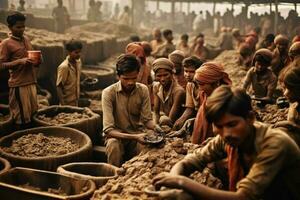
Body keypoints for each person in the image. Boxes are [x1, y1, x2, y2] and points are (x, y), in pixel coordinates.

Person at [153, 85, 300, 200]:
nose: (226, 133)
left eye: (232, 124)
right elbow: (189, 162)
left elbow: (244, 197)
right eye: (218, 126)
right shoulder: (228, 138)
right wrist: (173, 182)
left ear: (250, 118)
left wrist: (181, 183)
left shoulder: (274, 143)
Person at [102, 54, 158, 167]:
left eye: (134, 78)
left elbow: (147, 120)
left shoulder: (143, 90)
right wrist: (135, 137)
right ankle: (115, 176)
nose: (130, 82)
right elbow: (108, 130)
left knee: (147, 147)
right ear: (118, 76)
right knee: (113, 145)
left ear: (138, 74)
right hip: (118, 136)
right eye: (126, 79)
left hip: (138, 135)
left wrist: (156, 127)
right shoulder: (109, 93)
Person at [0, 12, 40, 129]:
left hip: (31, 82)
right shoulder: (6, 44)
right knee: (21, 118)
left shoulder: (26, 39)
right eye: (18, 27)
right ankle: (20, 138)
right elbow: (1, 65)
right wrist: (19, 62)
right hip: (19, 85)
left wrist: (38, 60)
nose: (22, 29)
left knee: (33, 115)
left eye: (23, 26)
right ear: (10, 27)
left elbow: (31, 57)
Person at [191, 62, 232, 144]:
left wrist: (216, 141)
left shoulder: (227, 101)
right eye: (198, 85)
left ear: (216, 83)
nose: (200, 89)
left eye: (202, 85)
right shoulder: (205, 95)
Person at [173, 56, 203, 131]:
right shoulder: (190, 85)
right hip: (198, 115)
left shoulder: (204, 86)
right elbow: (190, 108)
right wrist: (181, 120)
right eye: (186, 71)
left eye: (192, 72)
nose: (188, 75)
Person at [153, 58, 185, 128]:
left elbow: (171, 118)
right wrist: (155, 126)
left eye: (165, 75)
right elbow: (156, 112)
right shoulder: (156, 87)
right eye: (159, 76)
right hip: (164, 119)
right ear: (155, 76)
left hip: (175, 123)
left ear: (172, 73)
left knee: (164, 119)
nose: (162, 79)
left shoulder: (178, 91)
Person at [274, 66, 300, 147]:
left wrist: (293, 126)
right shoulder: (295, 104)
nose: (285, 93)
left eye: (290, 89)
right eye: (284, 88)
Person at [56, 40, 82, 106]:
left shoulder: (78, 62)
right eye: (76, 52)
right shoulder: (64, 67)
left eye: (80, 52)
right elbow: (59, 87)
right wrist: (63, 105)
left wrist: (82, 83)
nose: (79, 54)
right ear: (69, 52)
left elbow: (73, 82)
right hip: (66, 103)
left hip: (76, 102)